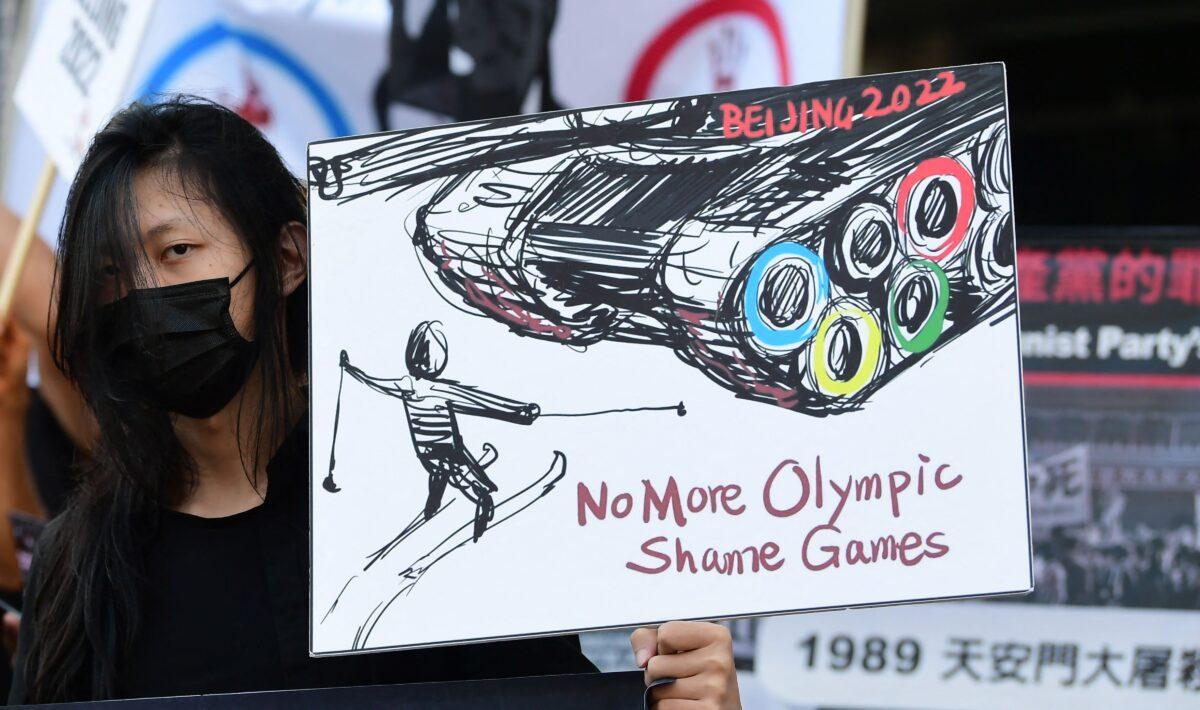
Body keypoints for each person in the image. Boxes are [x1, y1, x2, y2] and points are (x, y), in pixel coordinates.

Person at [8, 97, 741, 708]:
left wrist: (690, 698)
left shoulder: (440, 539)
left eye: (176, 253)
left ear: (287, 258)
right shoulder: (80, 570)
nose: (143, 297)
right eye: (110, 274)